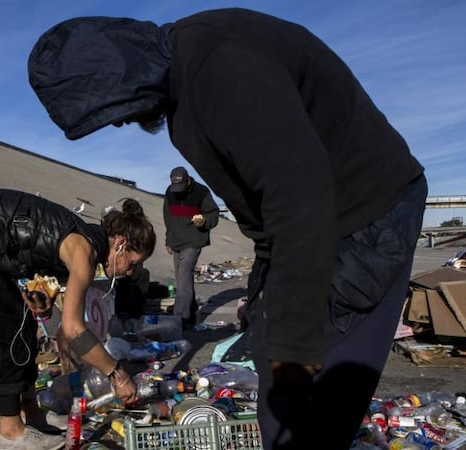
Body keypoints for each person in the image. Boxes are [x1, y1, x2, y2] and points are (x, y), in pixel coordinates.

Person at [28, 8, 427, 449]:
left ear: (120, 70)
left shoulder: (218, 66)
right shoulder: (187, 82)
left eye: (114, 110)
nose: (121, 121)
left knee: (315, 394)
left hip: (364, 217)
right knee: (274, 366)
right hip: (304, 227)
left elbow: (298, 192)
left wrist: (295, 342)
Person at [0, 188, 155, 450]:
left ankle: (31, 412)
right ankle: (11, 433)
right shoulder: (84, 249)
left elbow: (22, 256)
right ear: (120, 245)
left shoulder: (81, 241)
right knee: (6, 329)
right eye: (133, 262)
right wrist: (117, 375)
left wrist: (39, 299)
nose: (131, 272)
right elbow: (74, 329)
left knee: (24, 323)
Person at [163, 166, 219, 329]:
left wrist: (204, 221)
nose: (178, 191)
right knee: (184, 279)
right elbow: (168, 217)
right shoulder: (170, 191)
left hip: (194, 240)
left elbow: (214, 214)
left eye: (181, 187)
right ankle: (193, 314)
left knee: (183, 276)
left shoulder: (201, 192)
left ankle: (180, 318)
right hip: (176, 241)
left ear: (188, 181)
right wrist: (168, 240)